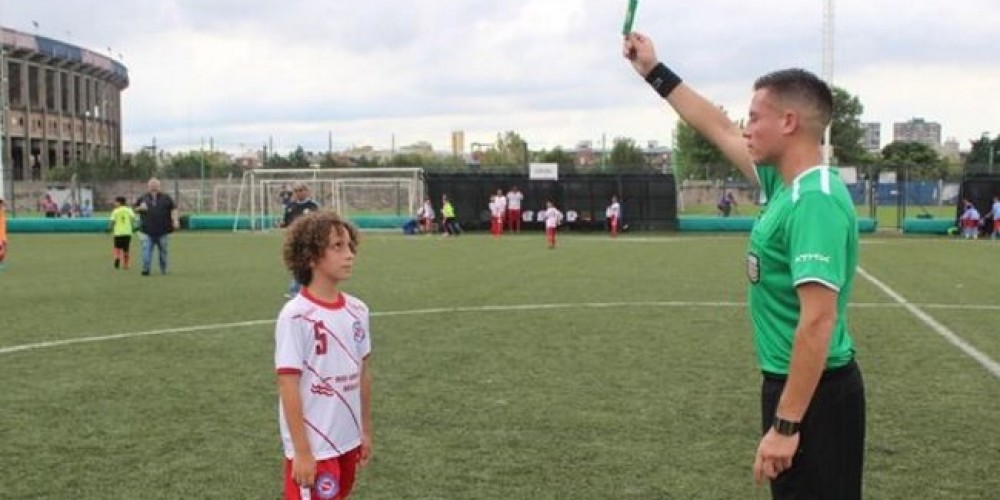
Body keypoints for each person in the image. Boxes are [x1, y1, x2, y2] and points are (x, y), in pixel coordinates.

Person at [625, 33, 865, 499]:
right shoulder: (783, 182)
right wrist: (654, 71)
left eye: (755, 117)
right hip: (793, 386)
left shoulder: (813, 200)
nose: (746, 126)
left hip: (816, 397)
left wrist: (788, 423)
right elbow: (716, 128)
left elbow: (818, 321)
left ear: (789, 121)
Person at [276, 211, 372, 500]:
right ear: (310, 257)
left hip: (348, 441)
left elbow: (363, 373)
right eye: (337, 246)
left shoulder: (358, 310)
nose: (349, 254)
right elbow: (287, 384)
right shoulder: (296, 316)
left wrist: (364, 430)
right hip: (316, 447)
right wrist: (302, 452)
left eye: (350, 246)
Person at [281, 183, 321, 297]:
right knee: (297, 264)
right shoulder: (290, 206)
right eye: (296, 190)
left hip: (309, 240)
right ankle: (299, 289)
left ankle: (297, 289)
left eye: (301, 190)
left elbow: (319, 222)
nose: (298, 193)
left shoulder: (313, 206)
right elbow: (286, 222)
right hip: (294, 240)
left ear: (307, 191)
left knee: (307, 264)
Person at [135, 177, 179, 276]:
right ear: (148, 187)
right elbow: (135, 209)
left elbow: (174, 209)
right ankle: (146, 269)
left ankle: (163, 269)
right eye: (152, 186)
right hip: (147, 231)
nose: (154, 188)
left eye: (156, 186)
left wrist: (175, 220)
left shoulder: (166, 198)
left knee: (163, 251)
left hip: (163, 230)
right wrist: (139, 208)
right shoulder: (142, 198)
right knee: (146, 251)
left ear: (160, 186)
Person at [108, 196, 138, 270]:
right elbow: (133, 219)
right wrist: (134, 227)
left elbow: (112, 221)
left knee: (117, 247)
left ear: (119, 202)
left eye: (115, 202)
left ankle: (117, 258)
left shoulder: (115, 211)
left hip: (118, 233)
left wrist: (109, 228)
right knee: (126, 249)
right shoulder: (129, 210)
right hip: (127, 232)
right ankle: (126, 264)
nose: (114, 203)